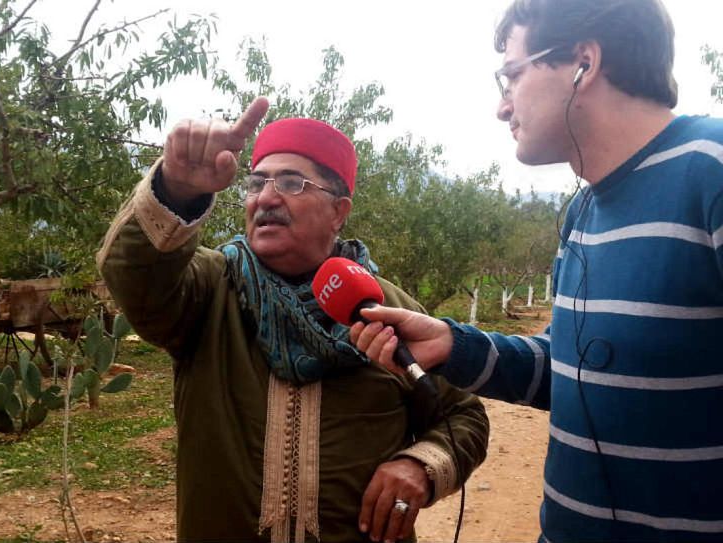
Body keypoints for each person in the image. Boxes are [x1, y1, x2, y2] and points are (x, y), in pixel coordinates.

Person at [349, 0, 723, 542]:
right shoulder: (582, 212)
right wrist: (450, 345)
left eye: (511, 76)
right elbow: (571, 370)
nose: (503, 107)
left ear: (583, 63)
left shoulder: (710, 171)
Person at [96, 98, 489, 543]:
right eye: (257, 182)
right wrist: (177, 189)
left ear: (339, 211)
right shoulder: (208, 291)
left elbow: (464, 416)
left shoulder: (391, 312)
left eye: (291, 183)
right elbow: (133, 276)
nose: (266, 197)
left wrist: (421, 465)